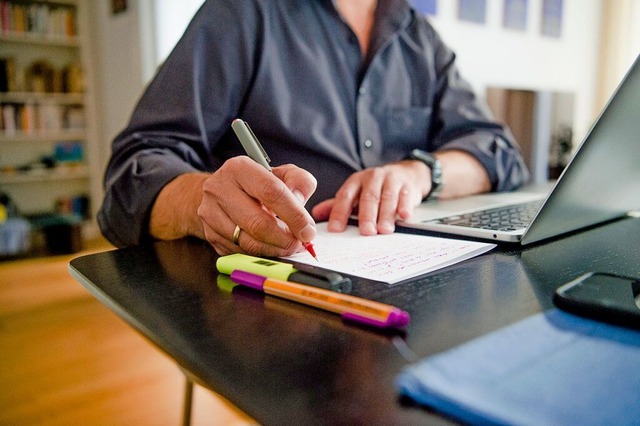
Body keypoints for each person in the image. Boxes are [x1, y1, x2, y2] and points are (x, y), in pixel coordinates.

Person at [98, 0, 528, 258]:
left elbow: (498, 151)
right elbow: (133, 171)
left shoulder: (421, 38)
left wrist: (419, 174)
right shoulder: (243, 12)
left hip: (413, 283)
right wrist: (202, 202)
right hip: (273, 303)